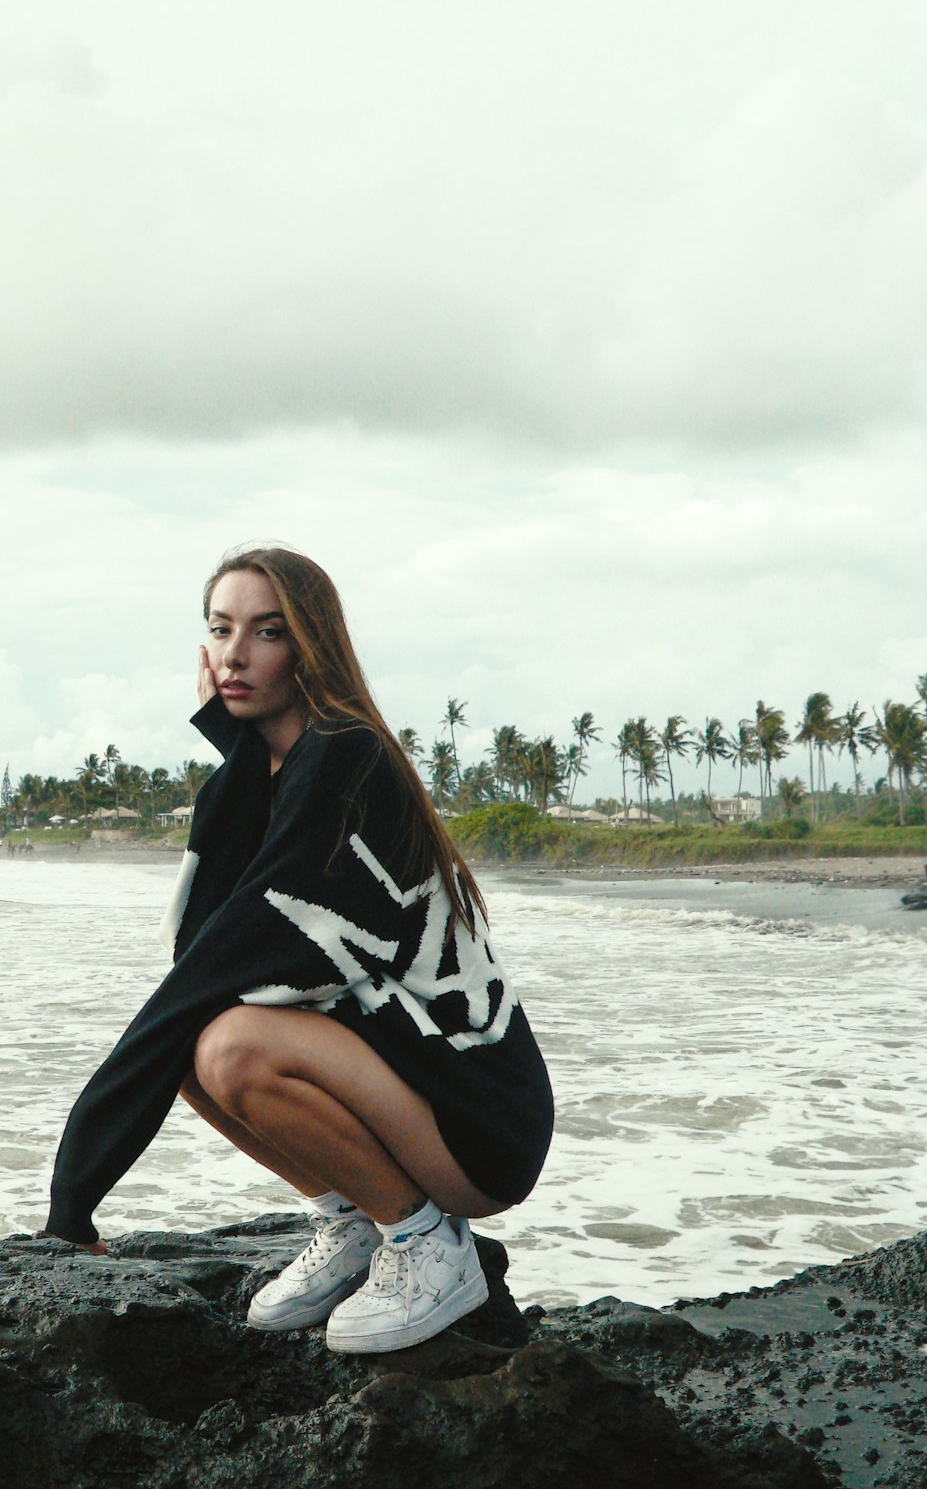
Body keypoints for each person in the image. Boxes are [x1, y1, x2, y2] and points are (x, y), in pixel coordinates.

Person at [42, 547, 554, 1352]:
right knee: (195, 1044)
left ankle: (428, 1245)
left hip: (477, 1111)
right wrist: (233, 746)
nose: (236, 653)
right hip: (399, 1079)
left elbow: (235, 959)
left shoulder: (346, 760)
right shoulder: (263, 779)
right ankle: (355, 1221)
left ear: (309, 645)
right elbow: (205, 952)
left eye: (267, 631)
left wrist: (73, 1194)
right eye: (220, 629)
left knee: (230, 1044)